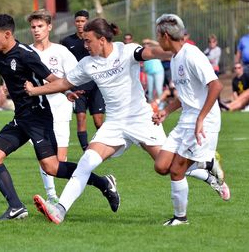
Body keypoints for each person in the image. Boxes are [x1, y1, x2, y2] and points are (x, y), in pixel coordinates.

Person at [25, 17, 227, 225]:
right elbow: (63, 83)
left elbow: (153, 52)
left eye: (88, 41)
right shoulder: (87, 64)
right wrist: (34, 91)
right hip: (114, 124)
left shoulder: (127, 51)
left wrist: (179, 51)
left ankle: (207, 169)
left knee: (166, 166)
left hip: (141, 120)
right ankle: (60, 210)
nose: (85, 45)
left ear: (102, 40)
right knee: (87, 162)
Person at [0, 14, 118, 221]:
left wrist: (66, 92)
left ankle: (103, 183)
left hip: (38, 118)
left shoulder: (26, 55)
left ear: (7, 35)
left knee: (51, 167)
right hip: (20, 119)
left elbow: (51, 78)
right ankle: (16, 207)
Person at [152, 14, 230, 226]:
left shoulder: (192, 55)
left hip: (204, 121)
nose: (157, 40)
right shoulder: (176, 57)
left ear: (166, 36)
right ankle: (208, 167)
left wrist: (201, 119)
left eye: (158, 36)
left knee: (177, 170)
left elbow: (216, 86)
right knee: (161, 166)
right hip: (187, 119)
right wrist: (166, 110)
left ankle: (181, 218)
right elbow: (187, 95)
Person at [28, 9, 77, 203]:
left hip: (61, 109)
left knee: (60, 159)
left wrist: (66, 88)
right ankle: (52, 196)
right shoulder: (27, 52)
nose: (36, 30)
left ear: (49, 27)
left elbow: (73, 77)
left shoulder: (61, 51)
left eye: (40, 26)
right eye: (33, 27)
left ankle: (63, 198)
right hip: (37, 112)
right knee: (45, 156)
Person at [61, 10, 106, 151]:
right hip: (77, 86)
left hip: (95, 84)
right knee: (81, 118)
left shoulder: (95, 38)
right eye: (78, 21)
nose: (80, 24)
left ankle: (103, 145)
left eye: (83, 21)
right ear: (74, 23)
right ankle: (86, 149)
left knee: (99, 121)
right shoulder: (67, 42)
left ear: (88, 21)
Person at [142, 39, 165, 106]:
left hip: (158, 71)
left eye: (148, 43)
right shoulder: (143, 51)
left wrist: (150, 41)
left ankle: (161, 106)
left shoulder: (154, 49)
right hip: (149, 73)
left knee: (158, 89)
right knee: (150, 91)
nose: (146, 45)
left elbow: (160, 45)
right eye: (145, 44)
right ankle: (151, 107)